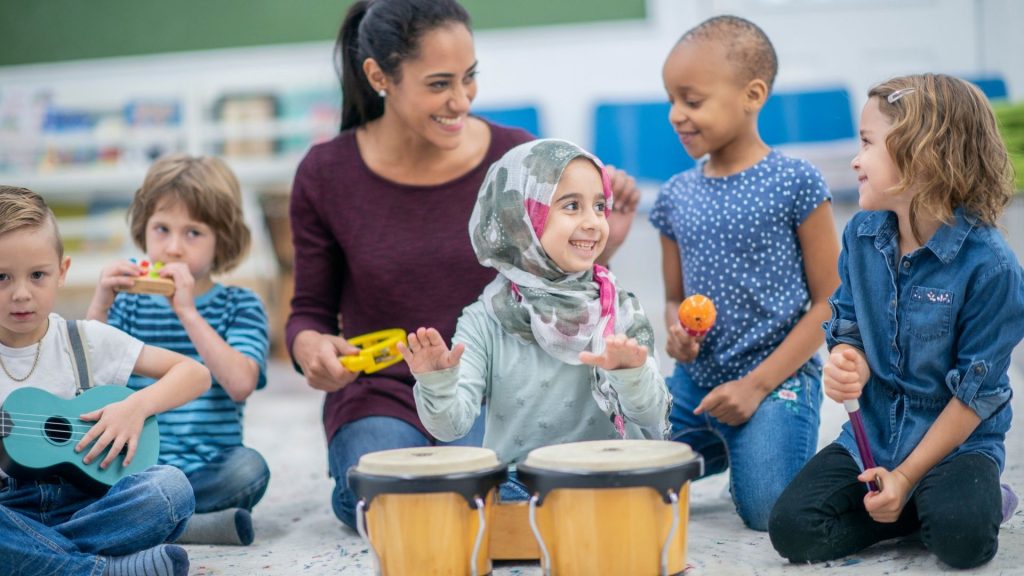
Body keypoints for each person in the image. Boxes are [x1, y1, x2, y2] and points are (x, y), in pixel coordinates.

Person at [285, 0, 640, 529]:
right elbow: (308, 311)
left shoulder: (518, 158)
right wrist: (309, 346)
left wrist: (601, 247)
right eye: (438, 84)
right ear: (378, 75)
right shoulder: (325, 173)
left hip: (497, 390)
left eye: (469, 78)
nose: (461, 100)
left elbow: (558, 290)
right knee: (379, 503)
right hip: (382, 393)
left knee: (488, 497)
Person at [769, 74, 1024, 569]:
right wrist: (849, 362)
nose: (855, 159)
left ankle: (958, 501)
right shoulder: (863, 234)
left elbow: (977, 396)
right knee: (793, 529)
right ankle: (911, 513)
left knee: (962, 541)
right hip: (875, 434)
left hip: (955, 445)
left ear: (922, 156)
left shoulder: (992, 267)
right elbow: (847, 324)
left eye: (867, 143)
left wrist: (905, 477)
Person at [650, 15, 841, 531]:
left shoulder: (796, 182)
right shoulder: (674, 196)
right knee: (636, 480)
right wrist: (677, 336)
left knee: (767, 511)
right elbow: (673, 297)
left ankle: (779, 444)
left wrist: (756, 386)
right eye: (671, 99)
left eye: (692, 101)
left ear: (752, 94)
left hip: (774, 380)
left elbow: (830, 303)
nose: (675, 114)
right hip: (697, 388)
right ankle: (725, 444)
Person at [402, 139, 670, 497]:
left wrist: (630, 373)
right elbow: (451, 427)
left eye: (600, 206)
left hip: (612, 476)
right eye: (572, 206)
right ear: (522, 218)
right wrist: (436, 381)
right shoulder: (484, 320)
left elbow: (653, 418)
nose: (594, 222)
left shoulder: (618, 308)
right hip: (522, 482)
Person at [0, 186, 210, 576]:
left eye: (38, 275)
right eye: (2, 277)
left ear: (62, 273)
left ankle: (40, 560)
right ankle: (102, 569)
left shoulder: (84, 339)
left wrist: (136, 406)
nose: (21, 294)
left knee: (169, 489)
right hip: (10, 511)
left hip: (88, 504)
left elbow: (194, 373)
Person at [87, 155, 271, 546]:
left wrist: (188, 312)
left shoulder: (241, 305)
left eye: (193, 233)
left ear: (222, 238)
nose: (173, 248)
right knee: (80, 467)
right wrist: (102, 302)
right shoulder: (129, 304)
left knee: (250, 470)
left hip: (209, 468)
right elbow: (85, 379)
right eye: (162, 229)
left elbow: (240, 384)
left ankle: (151, 516)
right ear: (143, 229)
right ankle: (192, 524)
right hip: (132, 465)